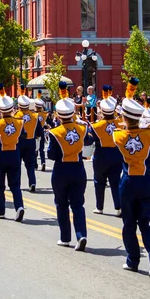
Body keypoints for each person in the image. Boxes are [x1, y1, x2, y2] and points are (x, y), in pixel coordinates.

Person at [112, 77, 150, 278]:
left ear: (124, 117)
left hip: (128, 183)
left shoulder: (118, 136)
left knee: (129, 224)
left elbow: (121, 128)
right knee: (146, 224)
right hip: (147, 182)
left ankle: (133, 260)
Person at [48, 81, 88, 251]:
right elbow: (89, 141)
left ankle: (65, 238)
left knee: (62, 204)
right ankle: (81, 235)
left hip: (61, 170)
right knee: (78, 204)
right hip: (78, 169)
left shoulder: (55, 132)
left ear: (57, 114)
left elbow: (51, 155)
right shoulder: (81, 128)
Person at [0, 84, 25, 221]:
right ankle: (19, 206)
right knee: (15, 185)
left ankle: (1, 211)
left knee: (0, 185)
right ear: (12, 109)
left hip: (0, 156)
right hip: (14, 154)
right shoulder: (19, 123)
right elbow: (24, 135)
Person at [86, 87, 123, 216]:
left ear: (101, 110)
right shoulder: (120, 123)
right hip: (116, 154)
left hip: (101, 156)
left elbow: (88, 141)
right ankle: (118, 207)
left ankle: (99, 207)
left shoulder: (96, 126)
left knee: (99, 182)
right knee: (115, 182)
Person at [15, 84, 43, 192]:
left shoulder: (17, 115)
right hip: (31, 141)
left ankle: (18, 183)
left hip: (20, 141)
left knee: (18, 163)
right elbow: (40, 130)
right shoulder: (35, 116)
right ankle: (32, 182)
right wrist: (38, 137)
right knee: (30, 164)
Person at [35, 92, 47, 172]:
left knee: (35, 149)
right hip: (42, 132)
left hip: (35, 132)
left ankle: (35, 165)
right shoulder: (45, 114)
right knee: (41, 149)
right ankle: (43, 162)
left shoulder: (34, 115)